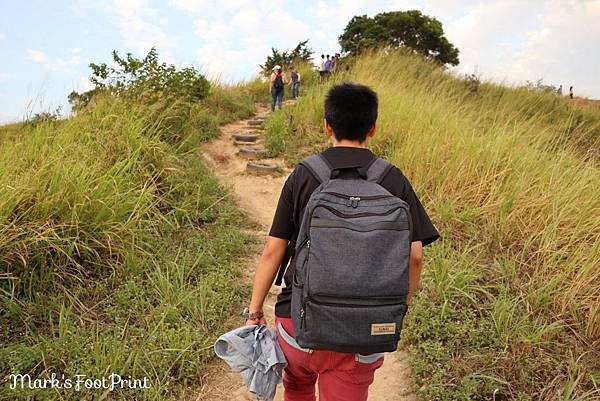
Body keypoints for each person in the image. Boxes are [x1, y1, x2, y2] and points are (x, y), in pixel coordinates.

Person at [244, 83, 440, 401]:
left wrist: (255, 311)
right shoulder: (393, 179)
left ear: (327, 126)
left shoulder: (304, 174)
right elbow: (415, 257)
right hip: (362, 331)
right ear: (373, 128)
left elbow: (273, 250)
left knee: (298, 387)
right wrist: (400, 306)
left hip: (299, 321)